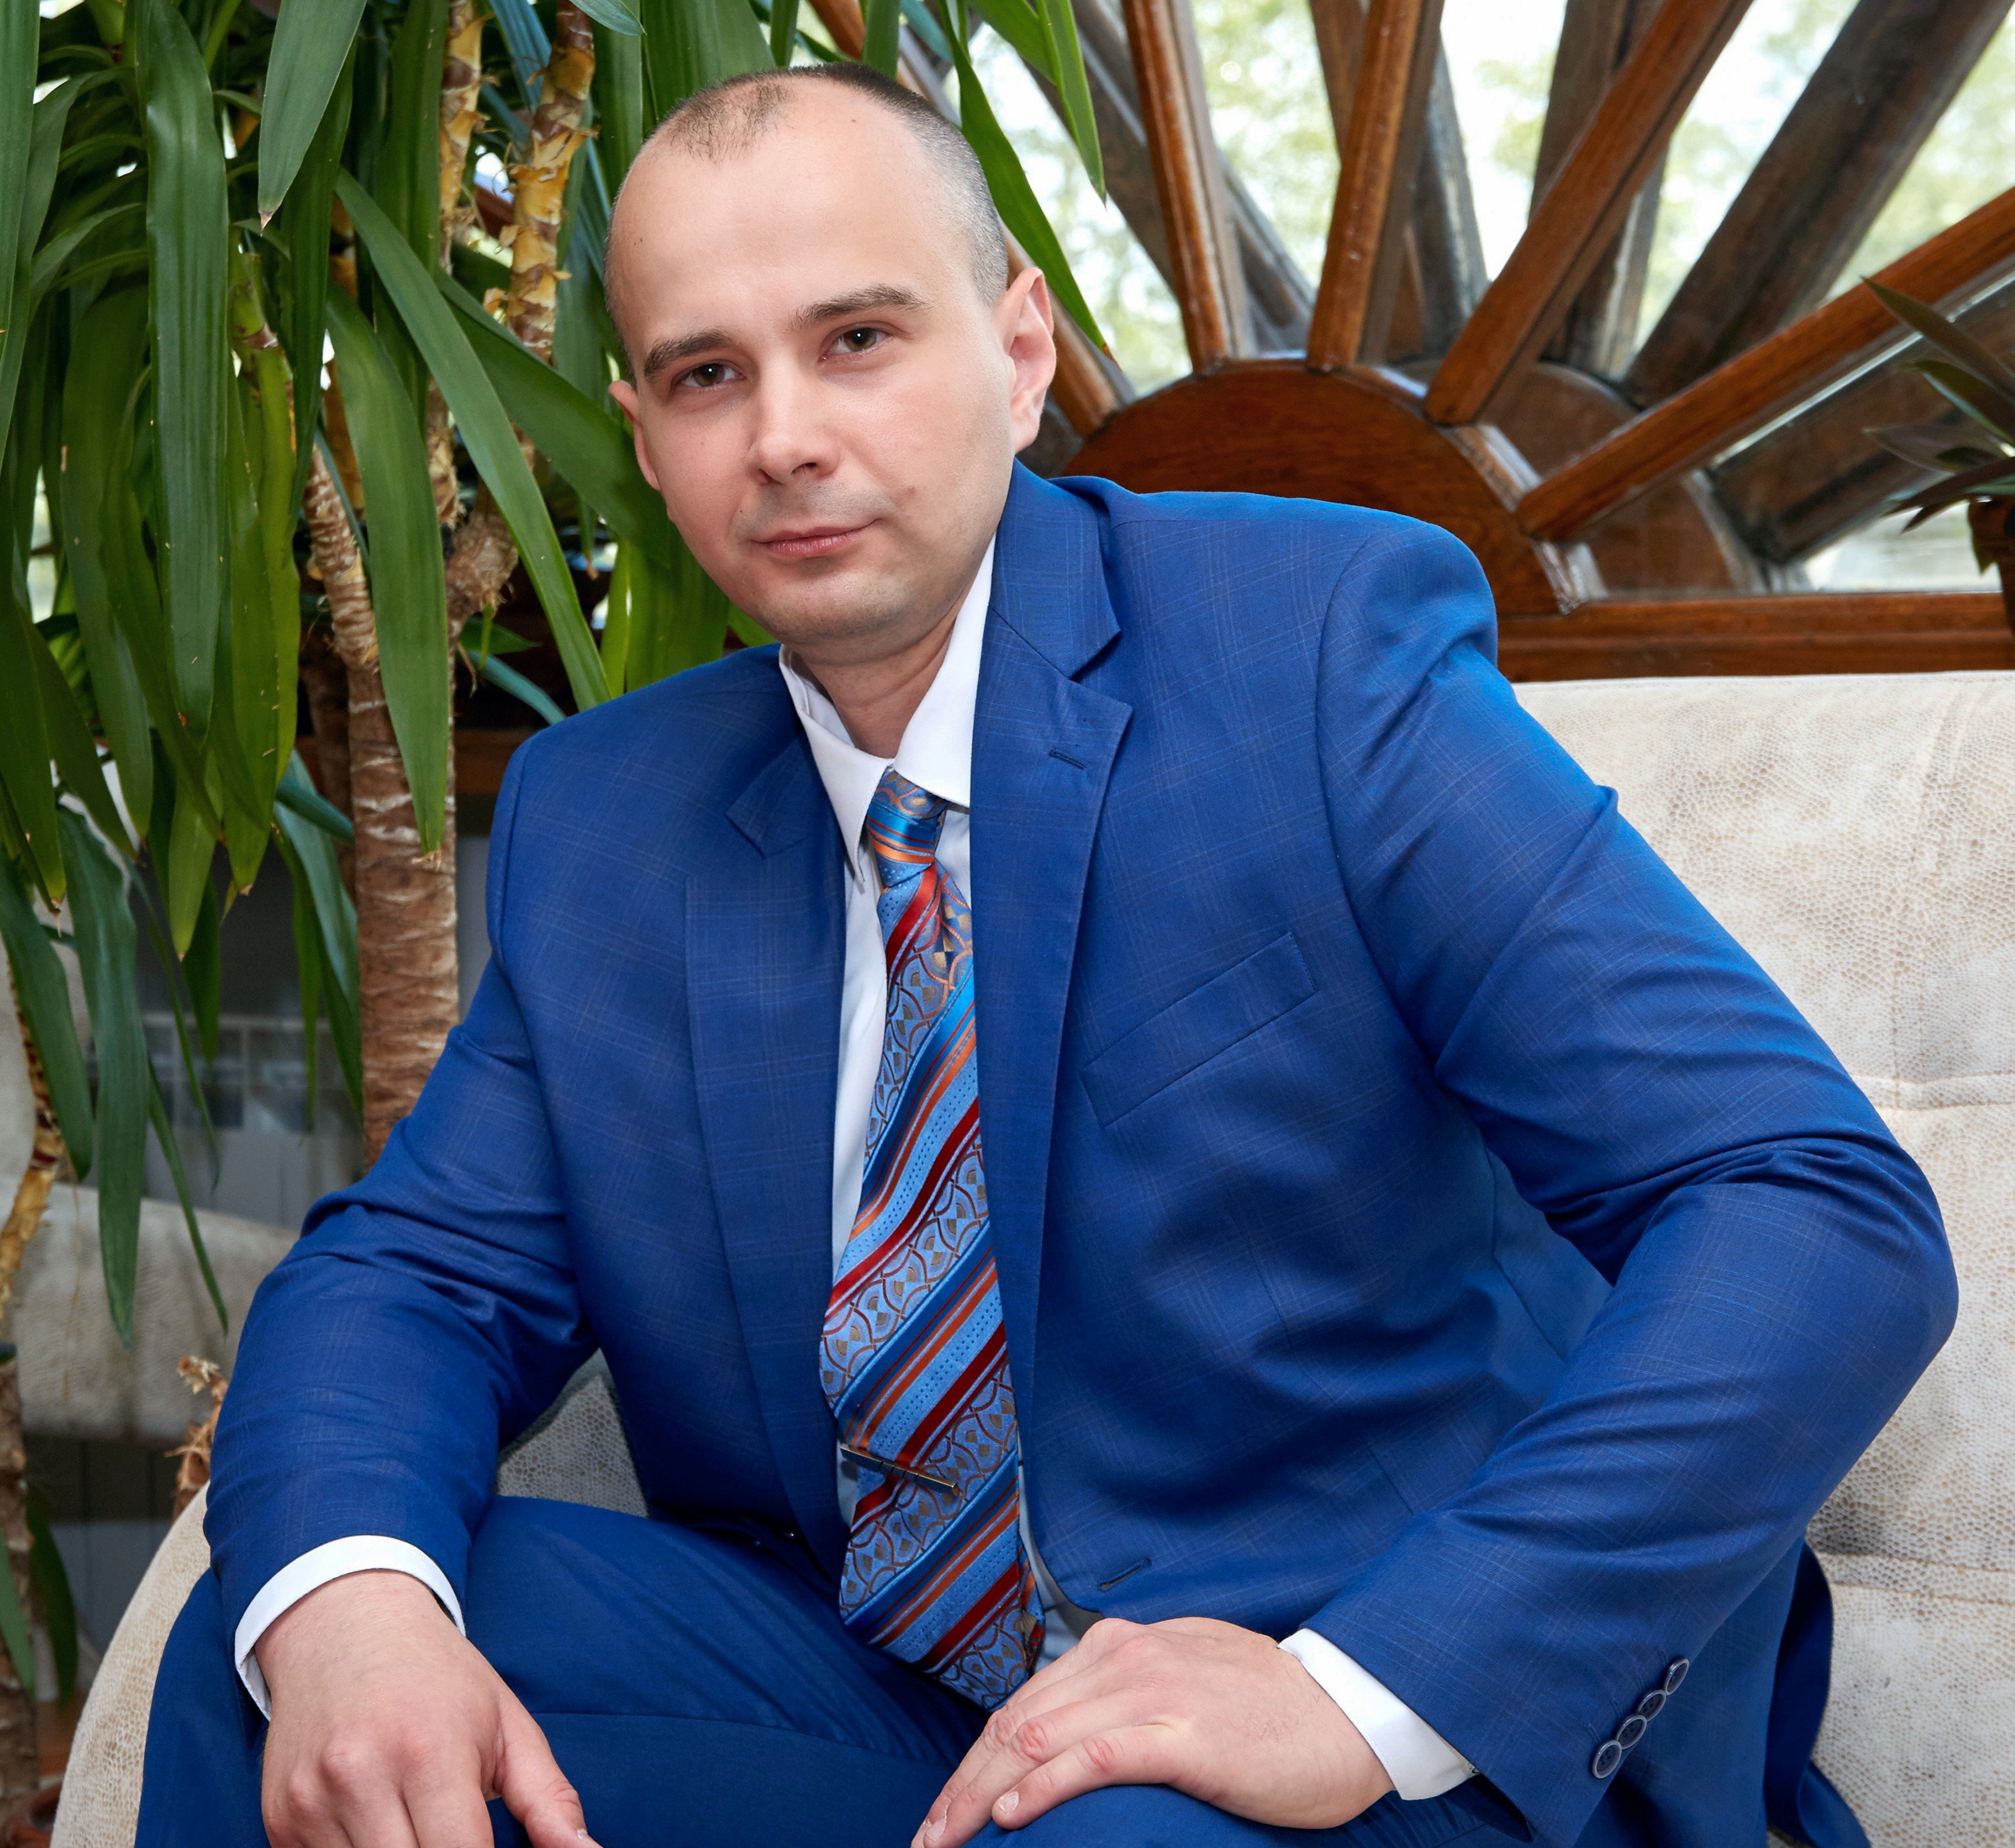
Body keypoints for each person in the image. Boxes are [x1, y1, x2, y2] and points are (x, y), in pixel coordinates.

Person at [136, 61, 1954, 1848]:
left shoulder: (1308, 653)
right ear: (644, 436)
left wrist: (1357, 1691)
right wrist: (353, 1615)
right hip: (895, 1692)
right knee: (287, 1660)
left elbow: (1811, 1209)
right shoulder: (613, 817)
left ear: (1018, 353)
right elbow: (416, 1276)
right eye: (708, 375)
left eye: (858, 339)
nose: (784, 437)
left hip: (1367, 1710)